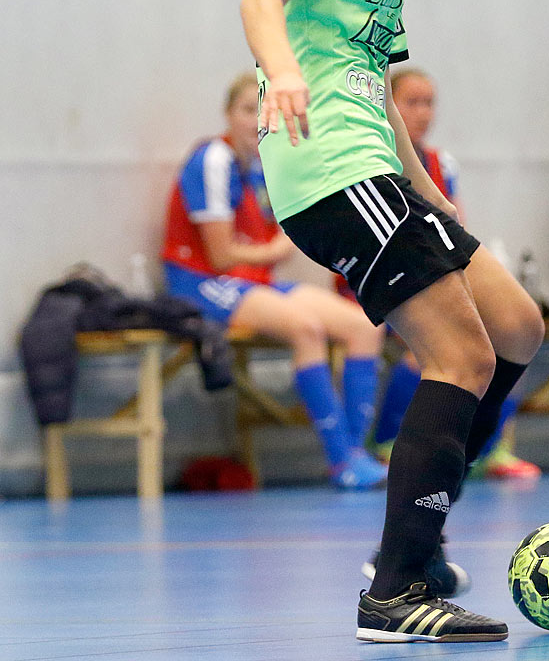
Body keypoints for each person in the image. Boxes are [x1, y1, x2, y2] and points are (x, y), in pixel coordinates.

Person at [241, 0, 541, 643]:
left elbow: (371, 78)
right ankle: (397, 589)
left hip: (375, 161)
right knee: (460, 355)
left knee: (517, 326)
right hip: (328, 169)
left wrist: (429, 190)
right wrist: (283, 72)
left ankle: (417, 538)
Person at [161, 72, 388, 490]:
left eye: (261, 111)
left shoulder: (267, 164)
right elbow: (221, 254)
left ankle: (355, 453)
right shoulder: (213, 159)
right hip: (201, 282)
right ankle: (340, 460)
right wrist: (277, 250)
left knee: (364, 325)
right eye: (246, 110)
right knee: (305, 329)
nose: (254, 122)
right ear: (228, 115)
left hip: (250, 281)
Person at [367, 67, 540, 481]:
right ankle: (388, 441)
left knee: (515, 330)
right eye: (412, 102)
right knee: (441, 346)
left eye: (429, 103)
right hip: (387, 274)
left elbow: (454, 226)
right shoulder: (372, 156)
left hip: (434, 266)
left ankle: (486, 445)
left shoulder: (442, 162)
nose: (423, 112)